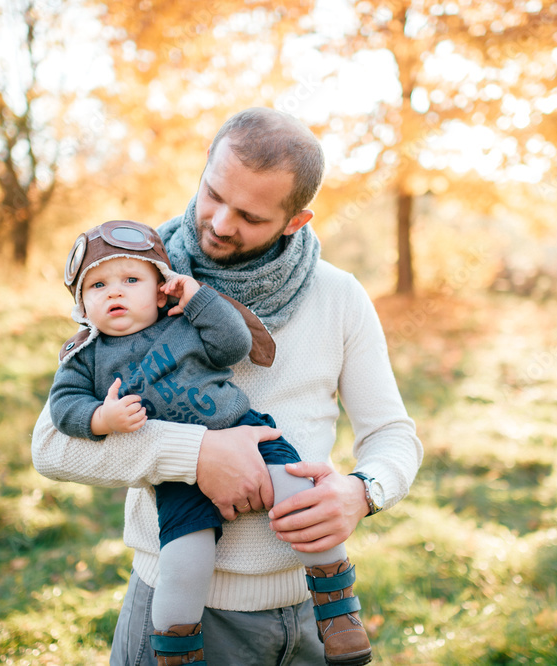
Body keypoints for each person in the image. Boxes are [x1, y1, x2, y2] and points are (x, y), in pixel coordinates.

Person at [32, 107, 423, 666]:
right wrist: (195, 454)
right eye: (213, 194)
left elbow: (392, 434)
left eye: (250, 216)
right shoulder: (131, 278)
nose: (218, 223)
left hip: (311, 618)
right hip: (179, 609)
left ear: (295, 220)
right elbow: (51, 445)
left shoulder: (338, 296)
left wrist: (363, 493)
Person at [47, 219, 372, 665]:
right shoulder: (87, 355)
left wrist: (198, 299)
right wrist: (101, 418)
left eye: (131, 280)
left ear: (160, 290)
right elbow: (64, 406)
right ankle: (178, 650)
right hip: (177, 477)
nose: (114, 292)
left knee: (303, 496)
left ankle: (338, 612)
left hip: (245, 429)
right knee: (184, 561)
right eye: (97, 285)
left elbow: (234, 344)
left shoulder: (181, 324)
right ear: (81, 304)